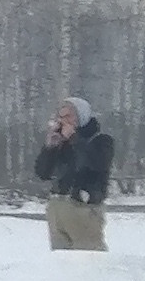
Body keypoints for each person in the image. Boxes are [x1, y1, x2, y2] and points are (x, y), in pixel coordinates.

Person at [34, 96, 115, 251]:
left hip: (83, 207)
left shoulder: (101, 140)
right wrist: (50, 148)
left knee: (89, 258)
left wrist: (74, 138)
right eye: (60, 116)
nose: (63, 121)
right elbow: (43, 173)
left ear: (81, 116)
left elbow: (96, 163)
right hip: (58, 206)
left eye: (68, 116)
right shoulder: (61, 143)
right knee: (62, 261)